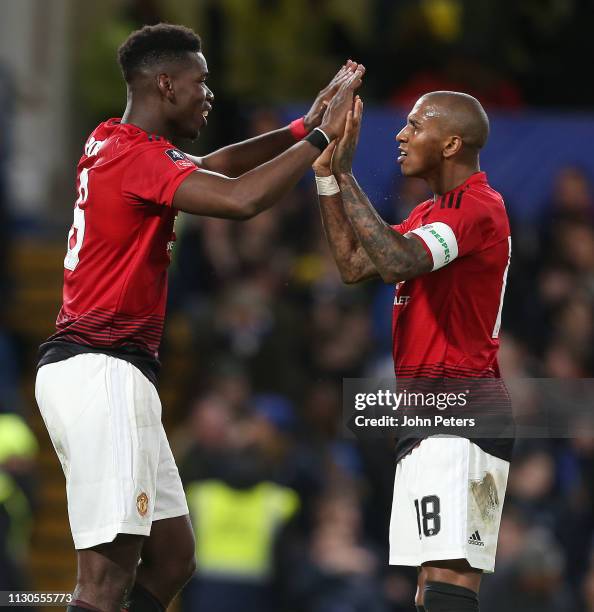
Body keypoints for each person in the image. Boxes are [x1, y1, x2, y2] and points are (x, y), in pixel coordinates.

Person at [34, 23, 364, 612]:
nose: (209, 94)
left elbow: (216, 167)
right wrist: (319, 141)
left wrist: (295, 129)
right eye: (200, 82)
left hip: (103, 370)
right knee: (103, 581)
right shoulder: (136, 158)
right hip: (101, 371)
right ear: (166, 85)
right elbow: (241, 200)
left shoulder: (111, 141)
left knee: (173, 557)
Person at [313, 91, 513, 611]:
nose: (400, 135)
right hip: (426, 412)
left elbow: (399, 260)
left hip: (463, 407)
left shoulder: (477, 209)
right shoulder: (430, 212)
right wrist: (328, 178)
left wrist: (349, 173)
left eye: (414, 125)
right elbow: (357, 265)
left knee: (448, 580)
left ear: (451, 143)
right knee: (431, 587)